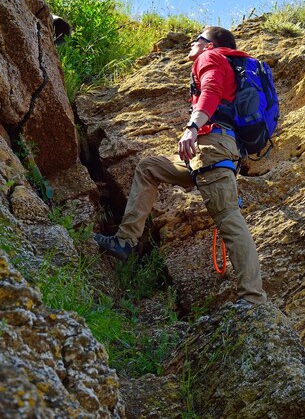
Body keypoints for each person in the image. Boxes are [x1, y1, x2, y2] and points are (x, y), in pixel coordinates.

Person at [94, 26, 267, 306]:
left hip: (212, 147)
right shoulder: (227, 62)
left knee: (228, 218)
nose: (192, 42)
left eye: (197, 39)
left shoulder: (211, 58)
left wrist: (192, 128)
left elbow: (210, 90)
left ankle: (253, 297)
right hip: (210, 152)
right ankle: (125, 241)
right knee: (149, 168)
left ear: (209, 45)